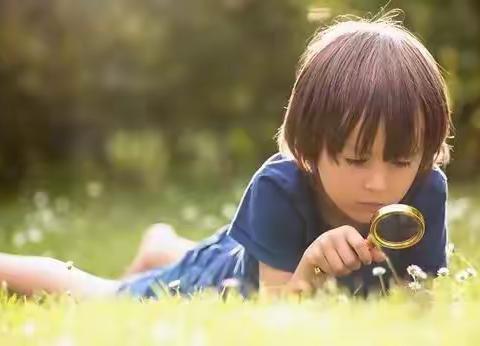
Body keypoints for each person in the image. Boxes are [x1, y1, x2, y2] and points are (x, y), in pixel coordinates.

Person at [0, 12, 452, 300]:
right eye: (356, 160)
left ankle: (164, 246)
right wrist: (311, 266)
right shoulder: (281, 186)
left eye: (400, 161)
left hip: (249, 251)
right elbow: (274, 320)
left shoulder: (424, 190)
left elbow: (417, 298)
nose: (379, 183)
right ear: (310, 147)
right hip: (224, 279)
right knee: (102, 296)